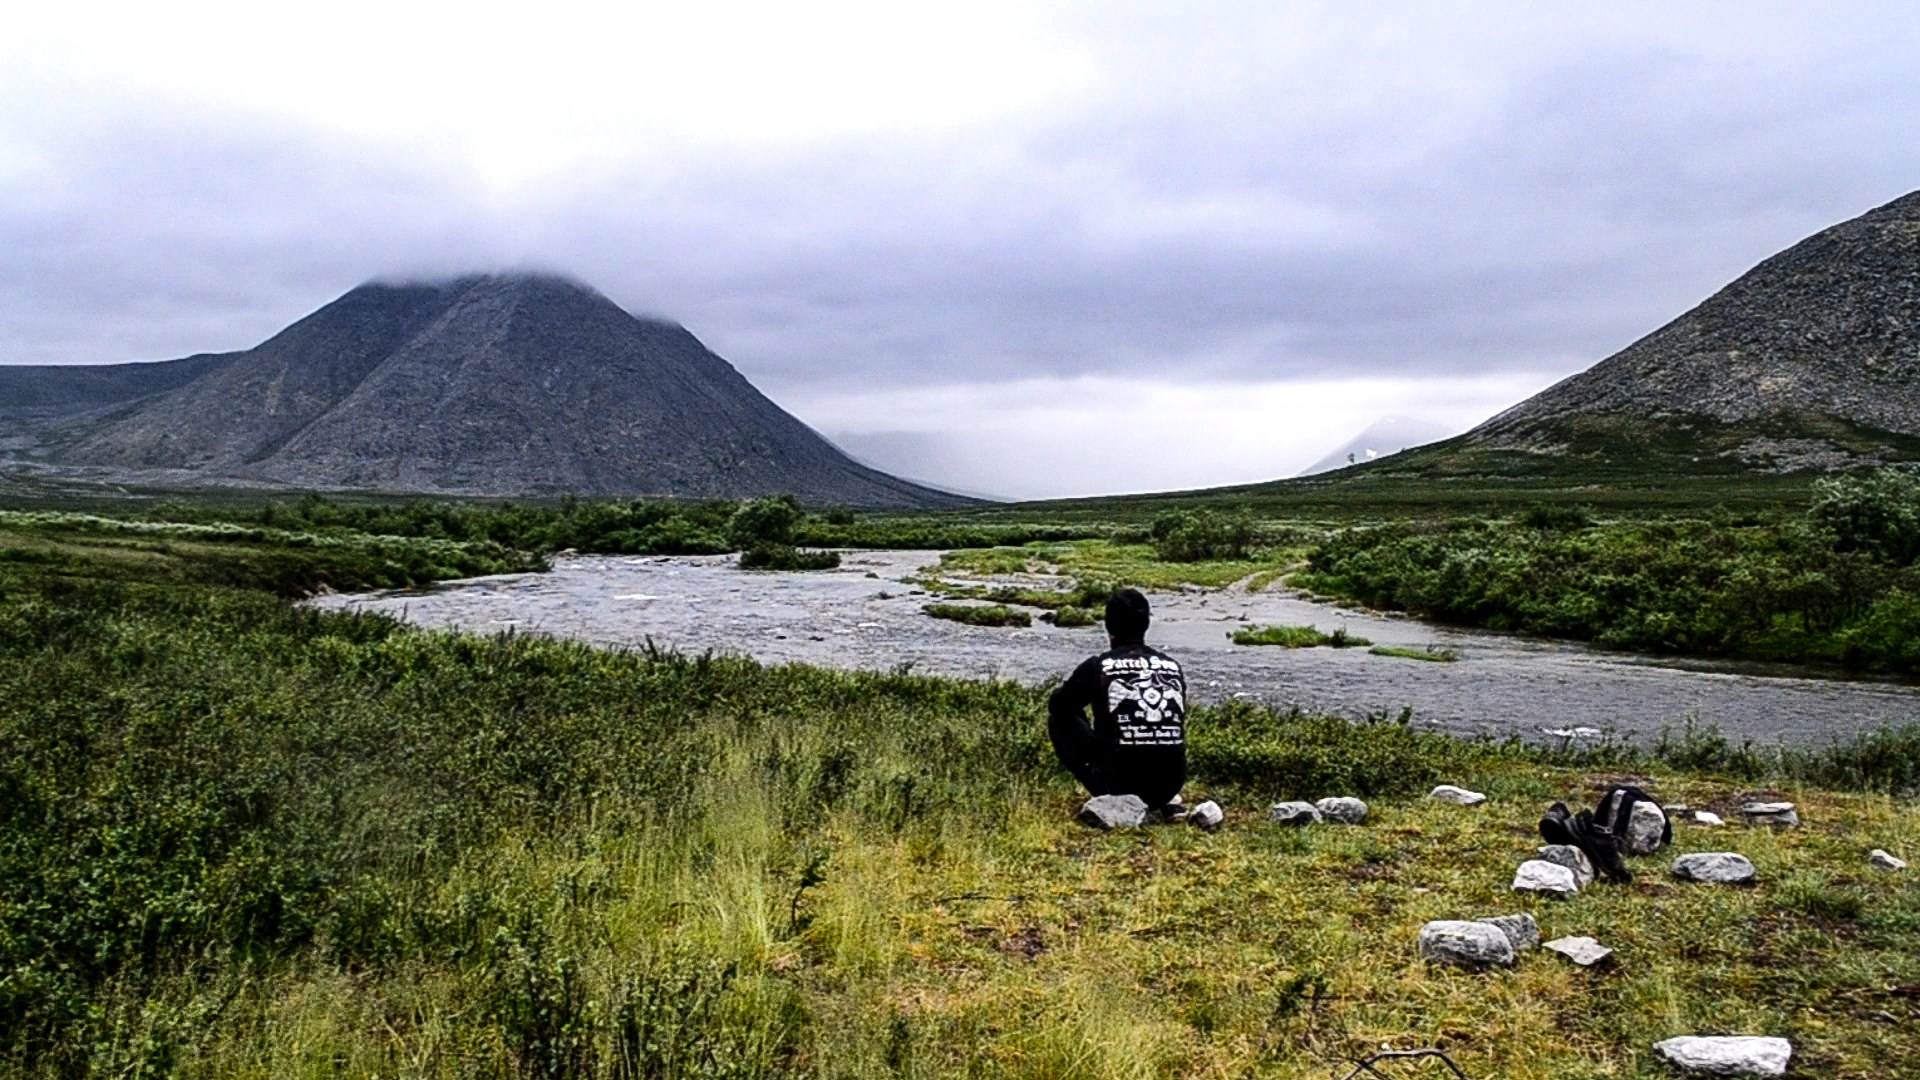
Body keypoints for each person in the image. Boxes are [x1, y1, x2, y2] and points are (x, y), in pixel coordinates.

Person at [1047, 587, 1187, 811]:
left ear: (1108, 625)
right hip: (1169, 785)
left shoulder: (1098, 666)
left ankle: (1106, 793)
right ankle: (1164, 799)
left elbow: (1058, 705)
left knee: (1059, 717)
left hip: (1118, 784)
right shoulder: (1172, 666)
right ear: (1146, 624)